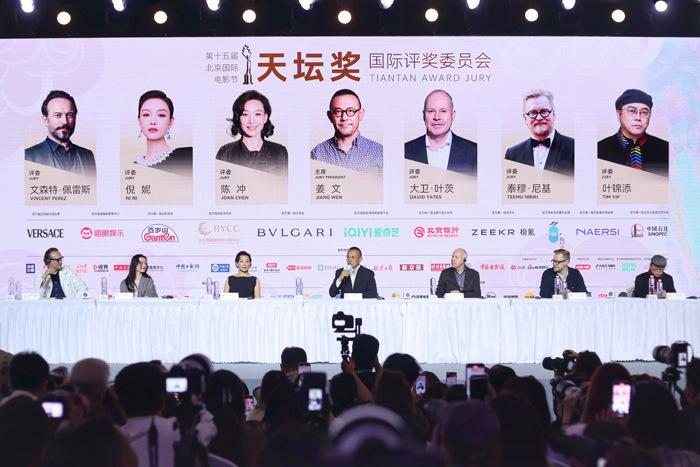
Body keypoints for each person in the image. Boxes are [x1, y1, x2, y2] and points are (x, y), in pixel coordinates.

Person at [311, 89, 383, 176]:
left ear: (360, 114)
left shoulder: (379, 152)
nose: (344, 118)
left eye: (351, 111)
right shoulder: (317, 154)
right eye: (338, 111)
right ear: (330, 116)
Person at [404, 89, 477, 176]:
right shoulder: (404, 151)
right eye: (431, 111)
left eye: (443, 111)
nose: (437, 117)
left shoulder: (474, 152)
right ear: (424, 115)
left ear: (453, 115)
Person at [598, 89, 669, 176]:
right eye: (632, 111)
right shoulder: (599, 149)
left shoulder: (666, 149)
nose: (638, 117)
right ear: (619, 114)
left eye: (644, 112)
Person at [216, 90, 288, 175]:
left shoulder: (280, 152)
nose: (251, 121)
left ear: (265, 117)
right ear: (238, 118)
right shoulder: (226, 153)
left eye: (257, 114)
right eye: (245, 114)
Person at [25, 90, 96, 176]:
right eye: (58, 115)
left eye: (70, 115)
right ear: (46, 120)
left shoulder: (87, 156)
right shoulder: (28, 156)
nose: (65, 121)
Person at [504, 89, 575, 176]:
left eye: (544, 111)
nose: (539, 118)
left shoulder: (575, 148)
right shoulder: (512, 155)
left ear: (554, 114)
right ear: (525, 118)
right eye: (532, 112)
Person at [134, 90, 192, 175]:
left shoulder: (187, 156)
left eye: (161, 115)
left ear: (170, 122)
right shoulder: (134, 167)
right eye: (146, 115)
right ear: (139, 121)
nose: (153, 122)